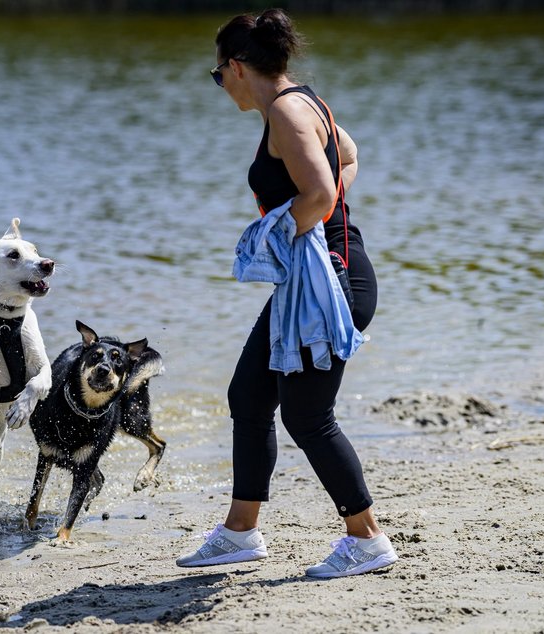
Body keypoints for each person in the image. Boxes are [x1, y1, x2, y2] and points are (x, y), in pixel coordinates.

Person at [176, 8, 398, 578]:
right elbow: (346, 157)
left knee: (308, 416)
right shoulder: (303, 102)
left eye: (217, 75)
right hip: (316, 281)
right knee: (248, 396)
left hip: (333, 284)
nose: (221, 86)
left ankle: (367, 538)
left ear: (237, 66)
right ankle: (239, 532)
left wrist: (276, 232)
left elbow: (320, 191)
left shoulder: (286, 112)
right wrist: (313, 216)